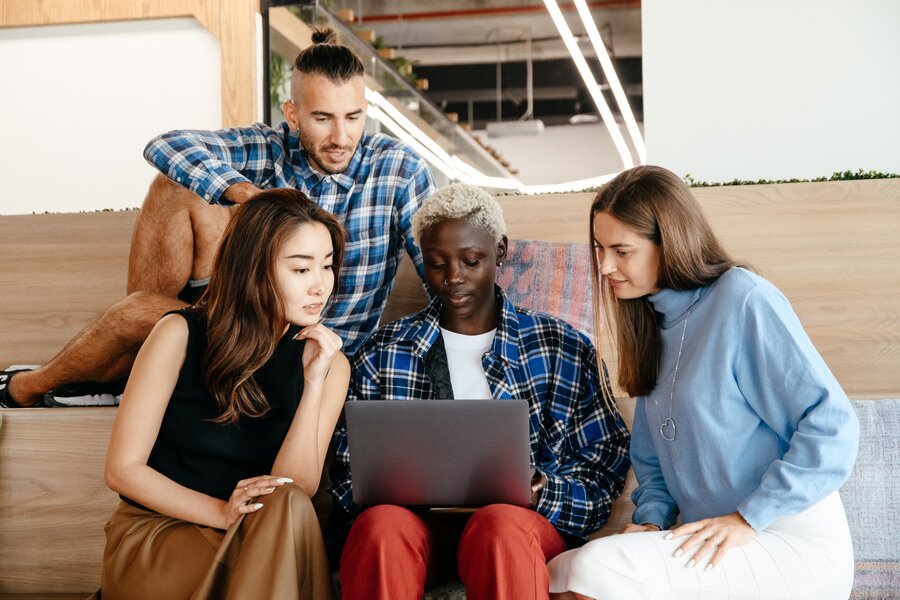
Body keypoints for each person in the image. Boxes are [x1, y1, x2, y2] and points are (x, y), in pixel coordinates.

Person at [0, 27, 434, 408]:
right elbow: (165, 145)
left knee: (134, 315)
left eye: (353, 117)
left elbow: (441, 276)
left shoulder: (398, 169)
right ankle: (140, 362)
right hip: (245, 323)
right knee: (172, 185)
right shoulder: (268, 146)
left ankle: (26, 387)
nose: (342, 137)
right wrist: (246, 194)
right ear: (292, 115)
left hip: (310, 356)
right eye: (322, 118)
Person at [547, 165, 860, 600]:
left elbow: (833, 425)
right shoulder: (650, 327)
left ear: (669, 242)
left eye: (621, 250)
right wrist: (652, 522)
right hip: (713, 538)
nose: (604, 266)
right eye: (600, 248)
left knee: (595, 568)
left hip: (786, 536)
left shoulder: (743, 298)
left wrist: (748, 517)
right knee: (560, 570)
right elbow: (652, 462)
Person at [329, 183, 632, 600]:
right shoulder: (384, 351)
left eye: (471, 261)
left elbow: (604, 467)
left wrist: (542, 489)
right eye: (436, 264)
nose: (454, 278)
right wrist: (393, 491)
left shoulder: (562, 347)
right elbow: (348, 474)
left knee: (499, 526)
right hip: (417, 531)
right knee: (381, 527)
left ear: (501, 251)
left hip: (516, 529)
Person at [93, 188, 349, 600]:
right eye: (301, 270)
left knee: (289, 505)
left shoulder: (329, 363)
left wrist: (314, 384)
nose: (320, 285)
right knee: (278, 565)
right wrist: (221, 513)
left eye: (327, 266)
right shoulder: (178, 334)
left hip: (260, 538)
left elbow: (295, 487)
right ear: (254, 268)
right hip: (161, 534)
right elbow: (122, 470)